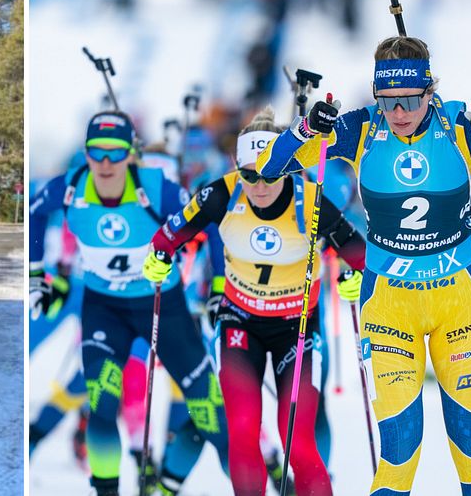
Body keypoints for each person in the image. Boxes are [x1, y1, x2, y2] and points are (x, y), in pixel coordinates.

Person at [257, 35, 471, 495]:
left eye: (411, 99)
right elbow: (270, 169)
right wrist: (305, 129)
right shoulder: (358, 128)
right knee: (398, 458)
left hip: (461, 306)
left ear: (429, 92)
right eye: (388, 100)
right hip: (390, 309)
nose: (398, 112)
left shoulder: (458, 124)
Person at [143, 106, 366, 495]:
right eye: (249, 175)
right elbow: (169, 235)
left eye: (270, 175)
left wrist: (353, 277)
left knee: (298, 441)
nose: (259, 186)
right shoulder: (221, 193)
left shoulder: (309, 201)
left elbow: (357, 253)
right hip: (239, 325)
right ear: (237, 168)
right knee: (243, 432)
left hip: (296, 330)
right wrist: (159, 258)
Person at [29, 110, 230, 495]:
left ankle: (170, 484)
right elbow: (36, 213)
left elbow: (211, 222)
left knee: (211, 415)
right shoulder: (70, 187)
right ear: (86, 153)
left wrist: (218, 283)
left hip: (162, 306)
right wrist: (39, 272)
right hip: (105, 309)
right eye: (96, 152)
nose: (105, 163)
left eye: (115, 153)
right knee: (103, 408)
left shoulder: (156, 189)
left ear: (131, 155)